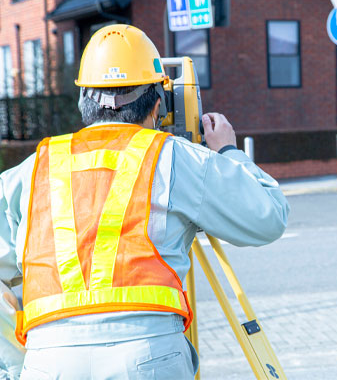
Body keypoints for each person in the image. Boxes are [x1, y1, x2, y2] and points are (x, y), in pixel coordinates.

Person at [0, 24, 289, 379]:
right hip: (147, 355)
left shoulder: (32, 169)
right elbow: (269, 216)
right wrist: (228, 151)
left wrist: (18, 365)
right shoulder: (174, 158)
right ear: (158, 103)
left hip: (48, 359)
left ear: (82, 102)